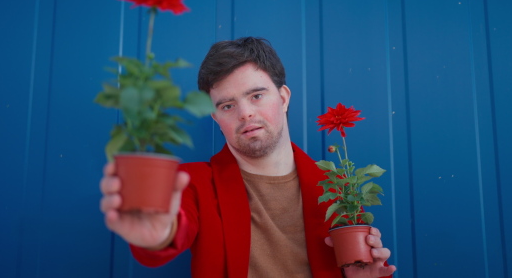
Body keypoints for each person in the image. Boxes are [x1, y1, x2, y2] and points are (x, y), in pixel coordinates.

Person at [100, 37, 397, 277]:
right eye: (227, 105)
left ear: (283, 98)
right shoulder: (192, 182)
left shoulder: (336, 188)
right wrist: (159, 235)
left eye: (256, 96)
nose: (246, 113)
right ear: (216, 117)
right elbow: (173, 227)